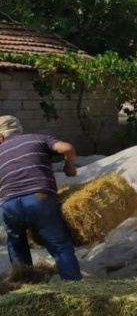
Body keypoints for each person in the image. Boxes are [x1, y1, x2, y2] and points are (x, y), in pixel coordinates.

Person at [0, 116, 82, 280]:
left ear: (1, 136)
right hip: (39, 200)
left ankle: (25, 290)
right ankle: (75, 289)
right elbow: (67, 148)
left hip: (8, 206)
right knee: (60, 246)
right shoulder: (38, 138)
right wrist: (69, 166)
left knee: (16, 245)